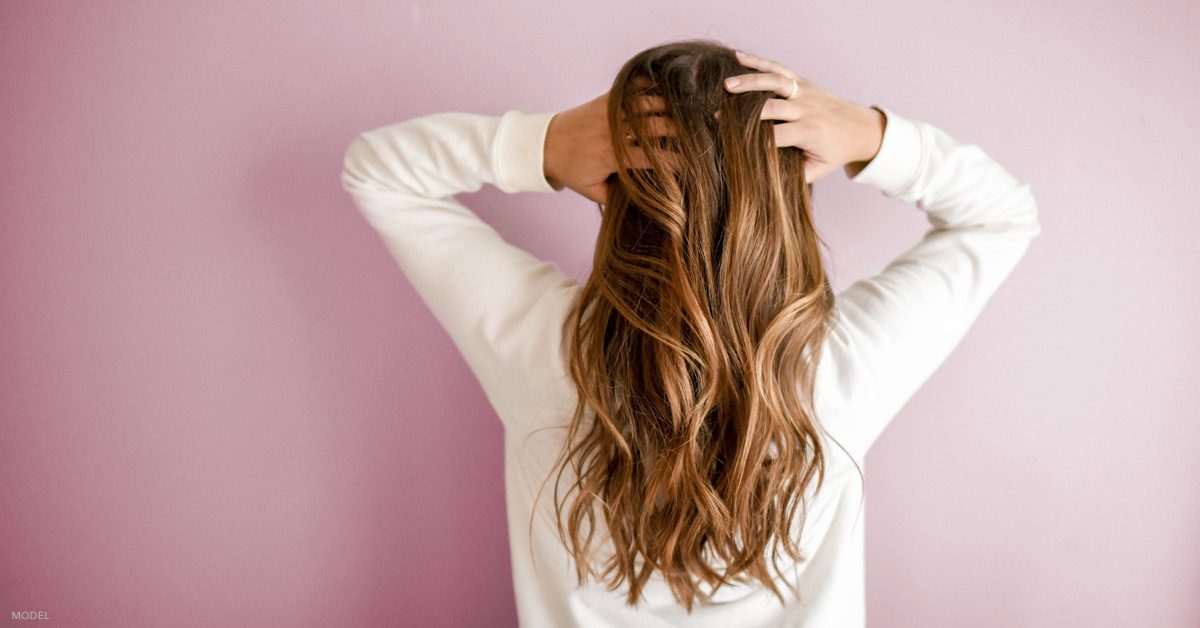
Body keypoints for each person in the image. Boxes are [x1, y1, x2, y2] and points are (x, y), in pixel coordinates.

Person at [340, 39, 1040, 628]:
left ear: (613, 186)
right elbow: (1002, 215)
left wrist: (546, 144)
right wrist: (869, 136)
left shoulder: (547, 351)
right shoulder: (836, 371)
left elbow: (378, 171)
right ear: (791, 196)